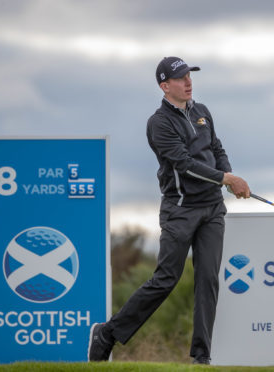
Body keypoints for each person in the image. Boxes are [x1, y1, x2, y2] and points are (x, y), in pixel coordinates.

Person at [88, 56, 250, 364]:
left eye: (190, 76)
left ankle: (201, 358)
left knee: (208, 280)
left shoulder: (202, 112)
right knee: (165, 279)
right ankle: (108, 334)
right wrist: (228, 178)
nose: (189, 82)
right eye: (181, 78)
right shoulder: (159, 123)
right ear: (165, 86)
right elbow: (185, 165)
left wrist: (227, 179)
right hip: (180, 210)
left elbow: (216, 149)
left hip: (212, 208)